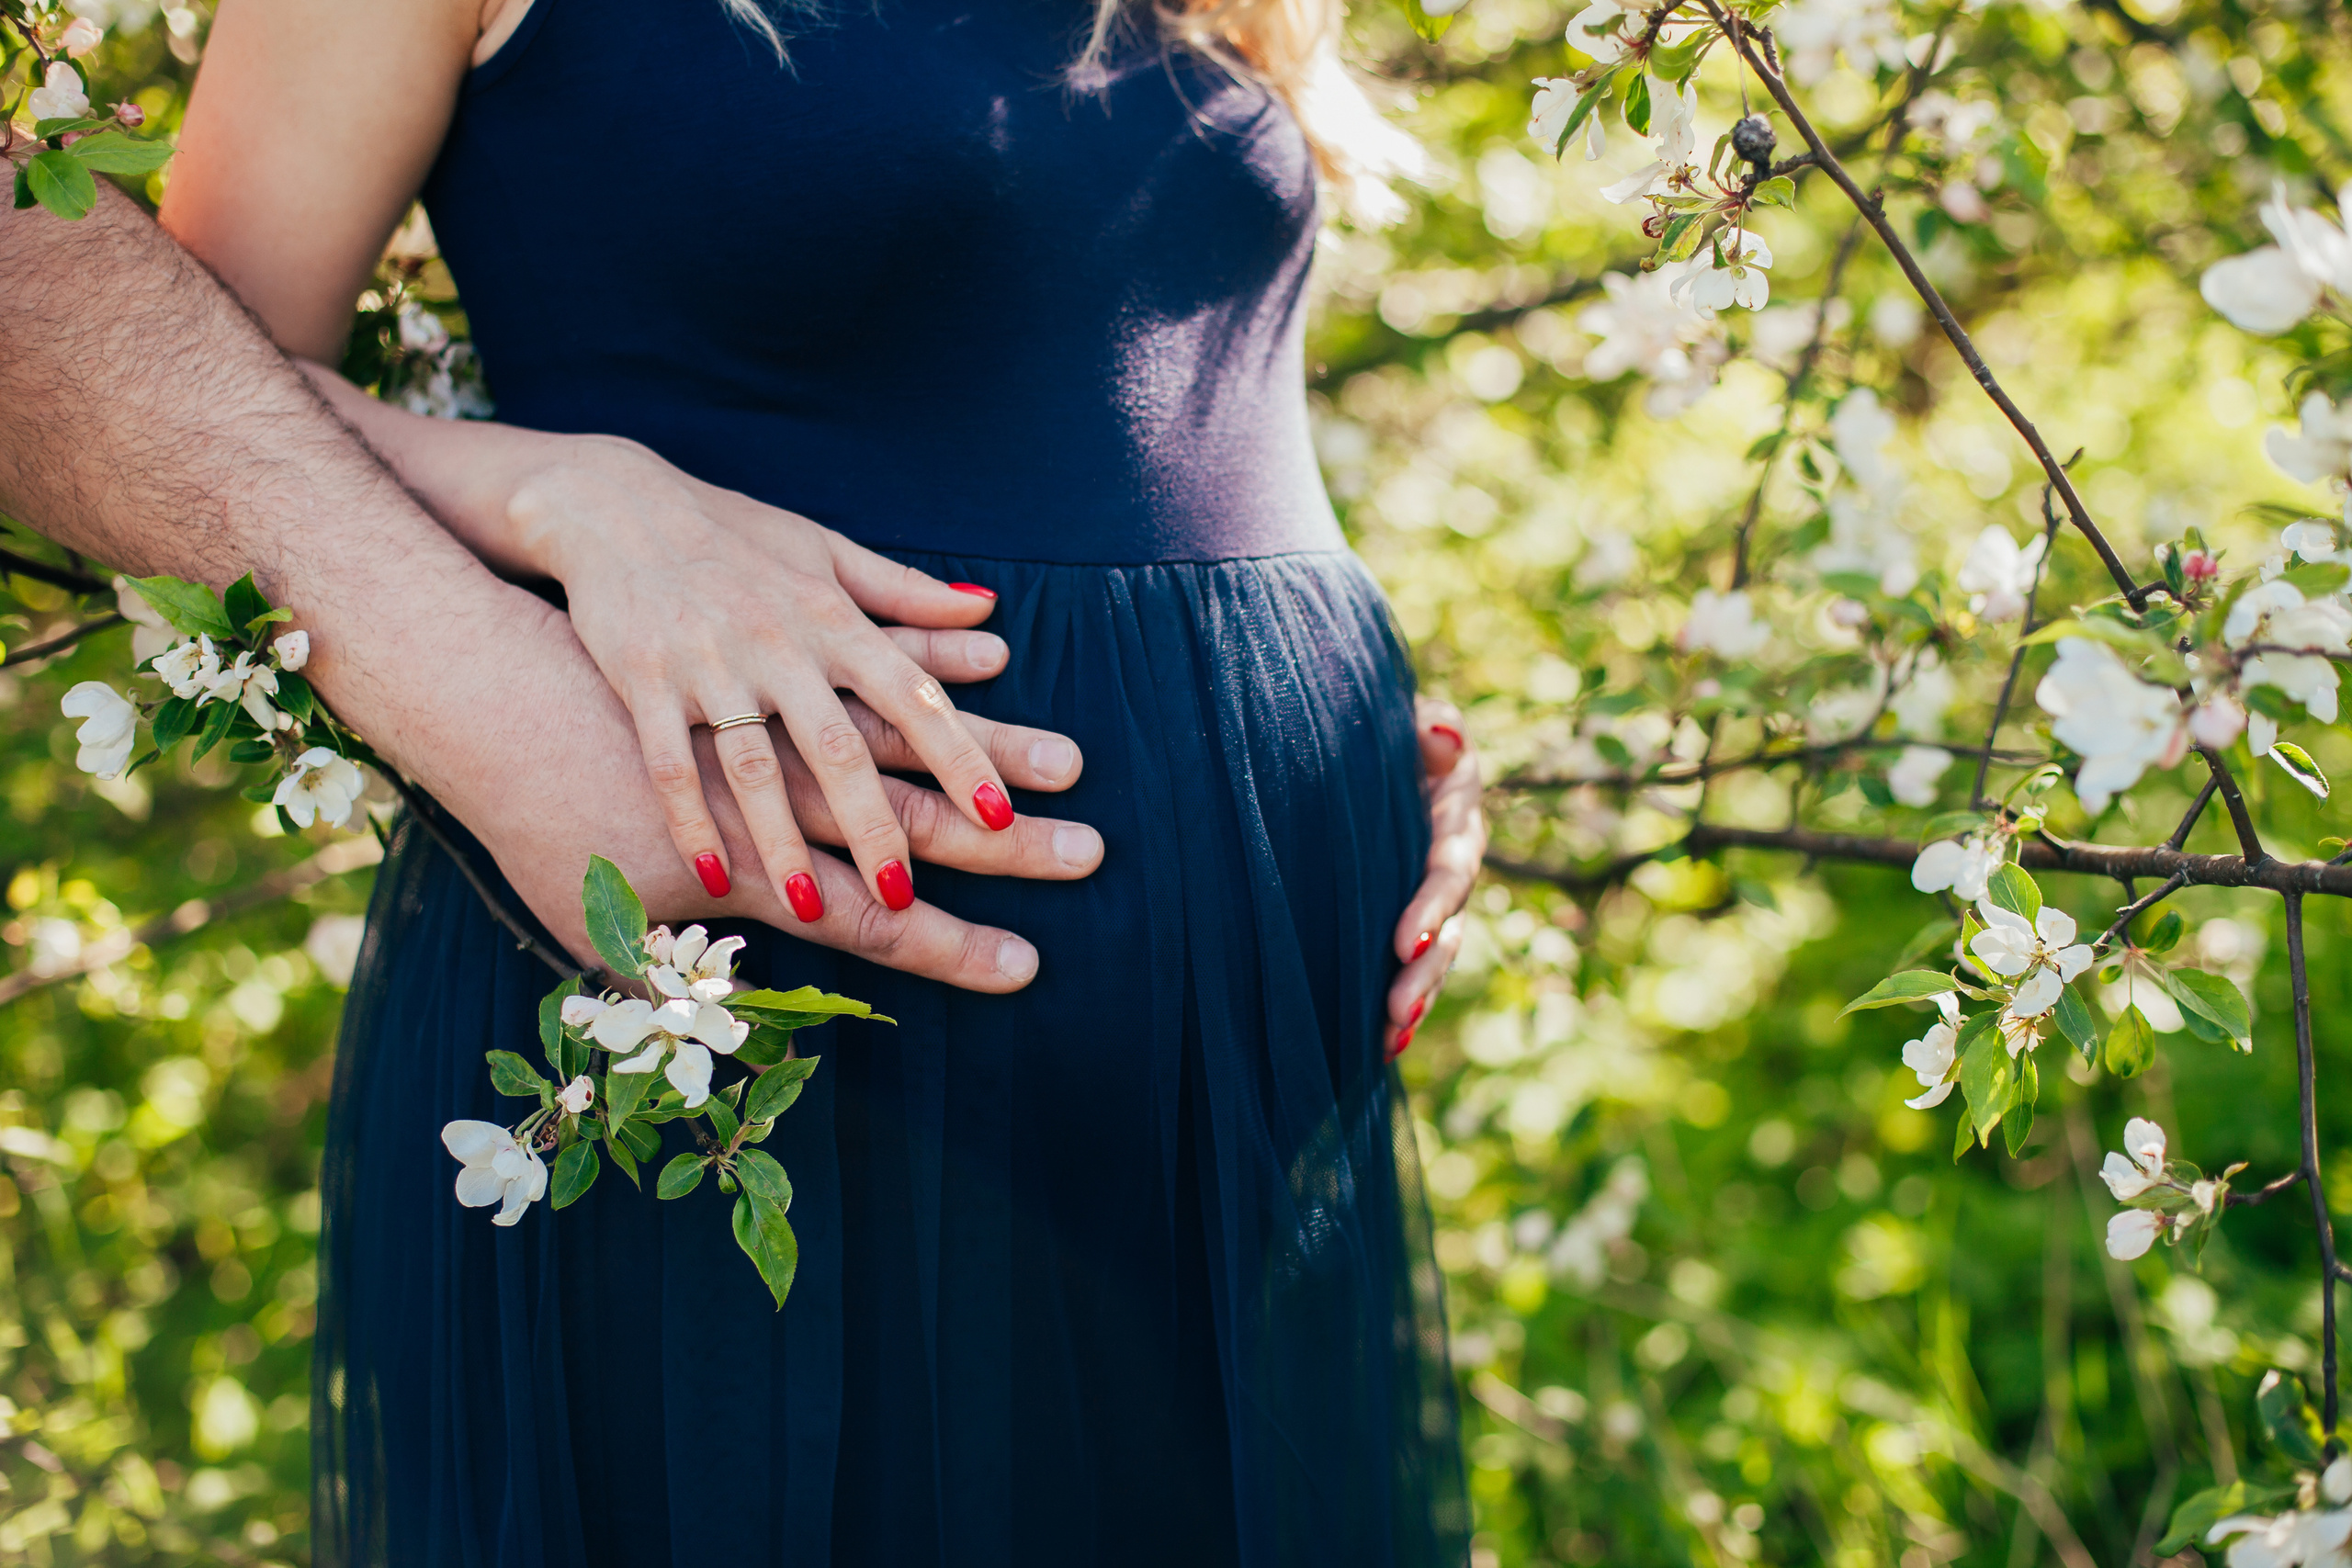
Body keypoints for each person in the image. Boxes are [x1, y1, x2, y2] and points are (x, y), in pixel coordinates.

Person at [18, 0, 1487, 1552]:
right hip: (770, 1008)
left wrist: (1332, 705)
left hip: (1240, 1066)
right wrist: (565, 495)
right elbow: (166, 372)